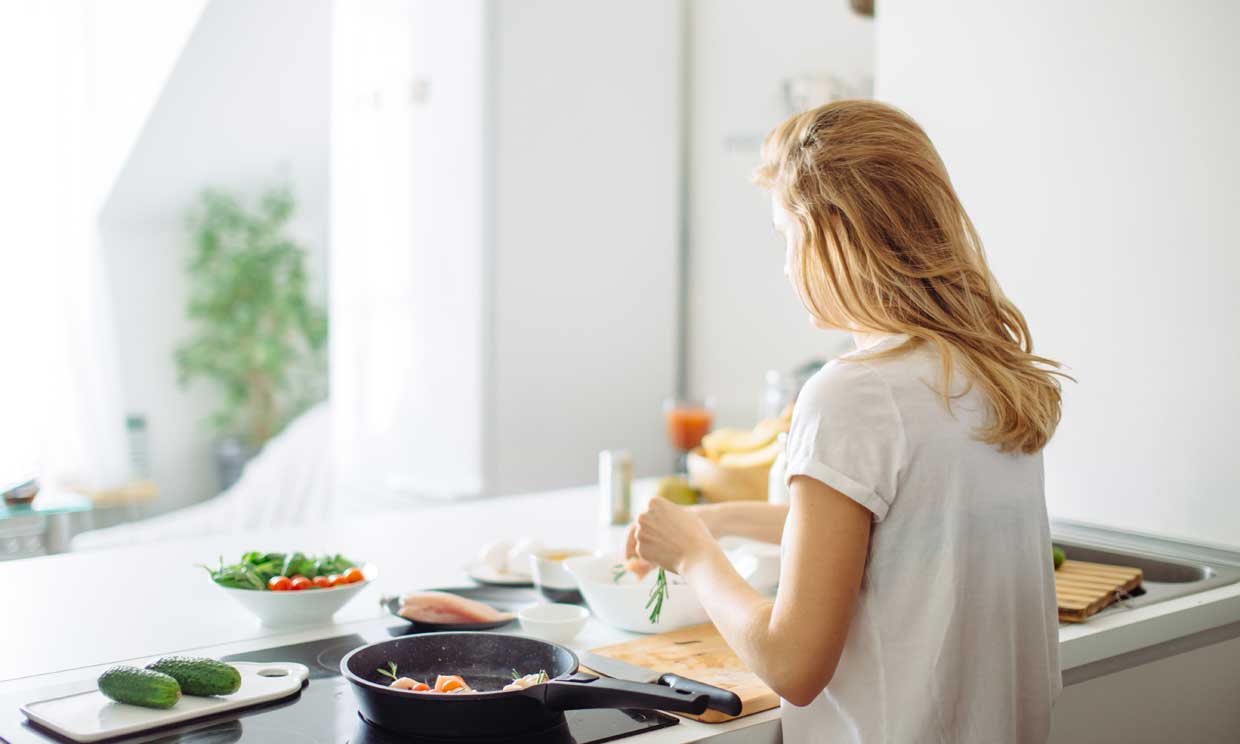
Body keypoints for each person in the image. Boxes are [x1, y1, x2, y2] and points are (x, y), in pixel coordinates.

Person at [626, 100, 1066, 743]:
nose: (785, 265)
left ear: (836, 234)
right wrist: (713, 521)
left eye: (787, 236)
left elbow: (793, 665)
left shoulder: (853, 394)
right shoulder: (986, 373)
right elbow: (884, 535)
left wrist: (694, 556)